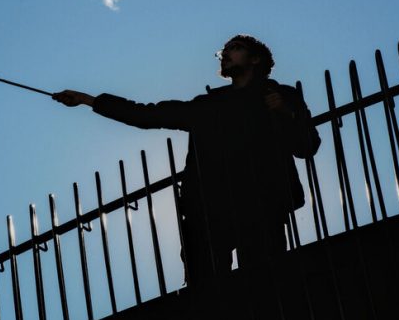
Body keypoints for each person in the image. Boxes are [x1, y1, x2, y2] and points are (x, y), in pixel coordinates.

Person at [53, 35, 320, 288]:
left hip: (262, 205)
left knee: (264, 285)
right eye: (223, 50)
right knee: (207, 291)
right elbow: (147, 115)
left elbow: (307, 147)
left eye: (235, 47)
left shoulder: (280, 96)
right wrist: (88, 100)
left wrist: (287, 113)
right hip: (208, 209)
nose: (225, 53)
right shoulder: (210, 105)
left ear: (256, 58)